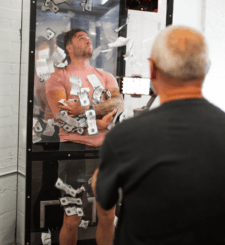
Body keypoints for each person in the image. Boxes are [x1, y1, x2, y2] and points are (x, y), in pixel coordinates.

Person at [92, 25, 225, 245]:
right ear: (206, 69)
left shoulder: (124, 137)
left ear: (152, 69)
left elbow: (105, 202)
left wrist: (99, 181)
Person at [45, 28, 123, 245]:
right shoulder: (58, 77)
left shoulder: (105, 76)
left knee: (107, 215)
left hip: (106, 153)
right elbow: (62, 117)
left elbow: (117, 104)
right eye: (82, 38)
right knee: (72, 218)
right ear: (69, 48)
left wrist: (82, 109)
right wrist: (98, 123)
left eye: (89, 38)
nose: (88, 40)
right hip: (74, 152)